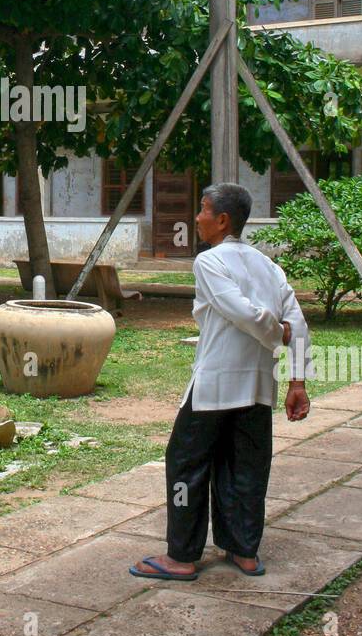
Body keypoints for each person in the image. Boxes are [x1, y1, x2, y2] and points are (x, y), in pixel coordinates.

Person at [130, 181, 312, 583]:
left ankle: (181, 555)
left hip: (215, 384)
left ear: (222, 220)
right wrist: (296, 380)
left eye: (203, 209)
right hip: (258, 387)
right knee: (244, 466)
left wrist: (275, 333)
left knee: (185, 465)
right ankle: (243, 550)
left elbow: (242, 313)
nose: (196, 217)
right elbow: (296, 322)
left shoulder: (210, 262)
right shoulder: (269, 266)